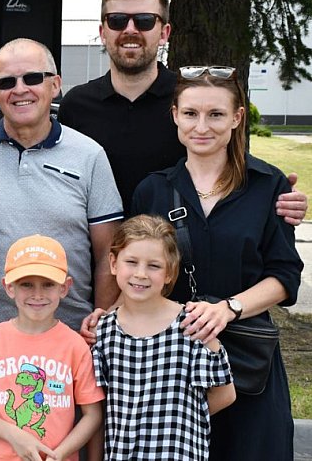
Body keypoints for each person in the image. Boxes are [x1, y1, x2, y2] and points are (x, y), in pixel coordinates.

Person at [0, 38, 122, 459]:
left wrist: (98, 323)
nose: (20, 88)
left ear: (56, 85)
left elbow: (108, 253)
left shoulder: (89, 156)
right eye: (6, 81)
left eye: (33, 77)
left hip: (71, 349)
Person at [129, 66, 303, 460]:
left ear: (238, 117)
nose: (201, 126)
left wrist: (229, 309)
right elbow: (135, 272)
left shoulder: (268, 186)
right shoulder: (153, 190)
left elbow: (284, 275)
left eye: (216, 114)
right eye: (190, 113)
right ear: (175, 114)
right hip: (172, 364)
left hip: (248, 363)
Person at [58, 0, 307, 223]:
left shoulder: (192, 102)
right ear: (103, 31)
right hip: (98, 254)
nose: (130, 30)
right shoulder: (76, 106)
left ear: (164, 32)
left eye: (144, 20)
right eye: (118, 20)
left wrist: (278, 195)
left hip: (184, 253)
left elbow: (232, 165)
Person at [93, 214, 236, 459]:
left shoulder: (192, 325)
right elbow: (99, 404)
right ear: (114, 263)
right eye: (132, 262)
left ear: (170, 272)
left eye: (154, 265)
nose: (141, 274)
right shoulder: (104, 332)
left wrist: (179, 416)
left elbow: (225, 394)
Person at [0, 234, 104, 461]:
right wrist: (14, 435)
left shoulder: (74, 345)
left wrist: (60, 454)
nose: (38, 295)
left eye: (48, 284)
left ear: (65, 288)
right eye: (26, 284)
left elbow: (92, 414)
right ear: (8, 287)